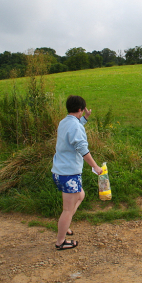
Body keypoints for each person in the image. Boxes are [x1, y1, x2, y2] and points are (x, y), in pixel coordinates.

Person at [51, 95, 103, 250]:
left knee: (80, 195)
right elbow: (82, 148)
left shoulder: (65, 122)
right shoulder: (74, 126)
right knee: (67, 209)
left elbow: (76, 126)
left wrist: (85, 118)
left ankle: (64, 224)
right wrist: (95, 167)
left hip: (59, 171)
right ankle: (60, 241)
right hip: (69, 174)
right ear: (80, 109)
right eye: (83, 110)